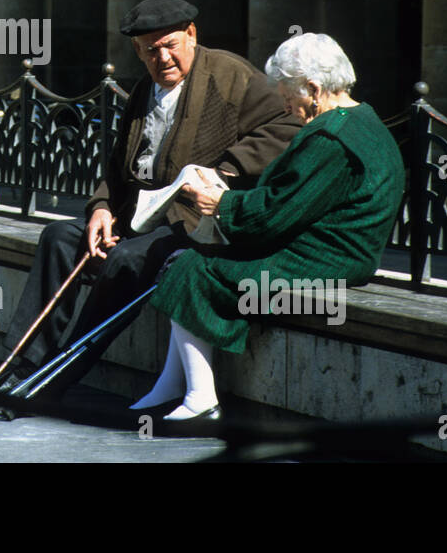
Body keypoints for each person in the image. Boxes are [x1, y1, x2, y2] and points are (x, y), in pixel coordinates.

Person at [0, 0, 300, 398]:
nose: (163, 58)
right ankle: (23, 362)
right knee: (59, 239)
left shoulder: (229, 74)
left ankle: (61, 372)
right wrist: (102, 208)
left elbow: (288, 125)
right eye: (150, 50)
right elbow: (117, 163)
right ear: (138, 52)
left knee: (126, 259)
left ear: (191, 35)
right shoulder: (146, 88)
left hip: (194, 222)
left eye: (170, 45)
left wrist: (226, 168)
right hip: (137, 214)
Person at [133, 33, 405, 421]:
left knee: (192, 270)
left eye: (289, 97)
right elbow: (291, 199)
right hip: (328, 246)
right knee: (189, 258)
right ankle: (173, 384)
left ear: (313, 88)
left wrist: (221, 204)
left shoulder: (330, 137)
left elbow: (277, 213)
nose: (287, 107)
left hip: (330, 258)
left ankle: (200, 398)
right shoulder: (359, 118)